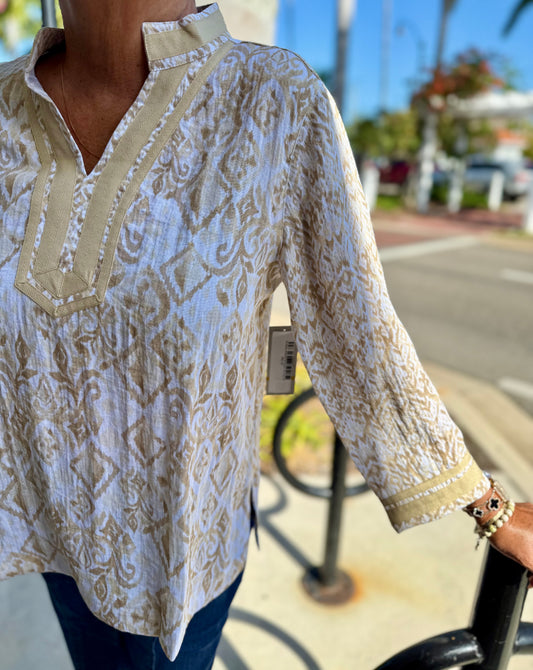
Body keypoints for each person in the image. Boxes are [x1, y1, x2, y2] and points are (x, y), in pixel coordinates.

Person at [0, 1, 531, 668]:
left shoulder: (274, 102)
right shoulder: (6, 105)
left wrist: (487, 505)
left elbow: (355, 329)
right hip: (50, 534)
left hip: (185, 562)